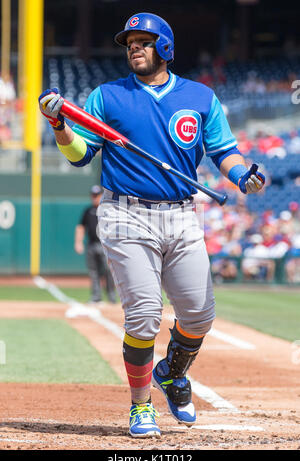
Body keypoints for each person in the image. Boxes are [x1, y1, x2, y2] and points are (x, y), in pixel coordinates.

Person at [38, 12, 265, 439]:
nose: (134, 48)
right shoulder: (107, 96)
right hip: (125, 214)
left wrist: (241, 176)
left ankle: (172, 373)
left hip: (181, 214)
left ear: (165, 48)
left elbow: (225, 152)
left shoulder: (200, 98)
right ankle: (141, 407)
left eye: (143, 41)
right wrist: (59, 124)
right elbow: (81, 154)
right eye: (129, 43)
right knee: (143, 316)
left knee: (198, 317)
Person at [74, 185, 116, 304]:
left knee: (108, 272)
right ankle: (96, 296)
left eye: (97, 195)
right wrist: (78, 242)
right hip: (91, 245)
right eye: (93, 195)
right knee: (93, 272)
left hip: (105, 245)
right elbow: (81, 227)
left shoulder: (109, 210)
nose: (94, 197)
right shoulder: (88, 211)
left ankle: (111, 296)